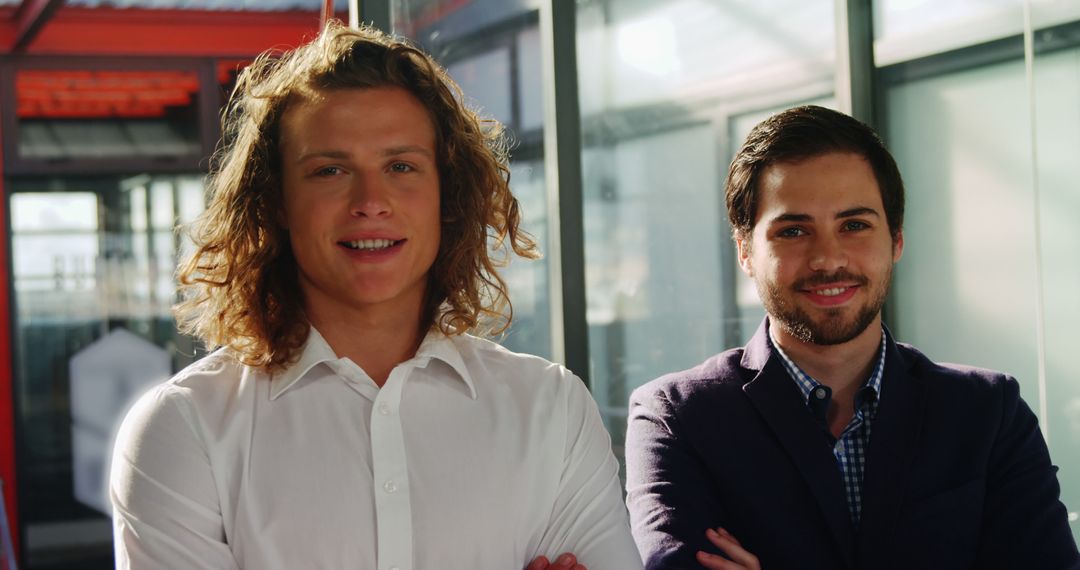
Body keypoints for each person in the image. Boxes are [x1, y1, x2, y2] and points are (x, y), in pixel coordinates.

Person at [109, 21, 643, 570]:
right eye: (330, 170)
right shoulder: (183, 428)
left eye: (401, 166)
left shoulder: (550, 408)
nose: (371, 201)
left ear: (447, 195)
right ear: (276, 204)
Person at [624, 105, 1080, 569]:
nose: (828, 258)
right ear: (745, 250)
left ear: (896, 239)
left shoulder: (988, 413)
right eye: (794, 230)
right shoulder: (676, 418)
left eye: (854, 225)